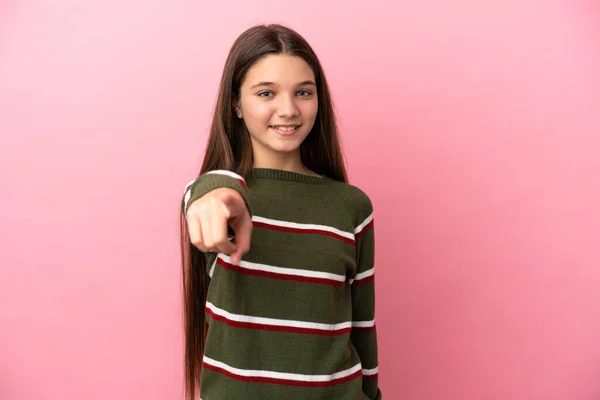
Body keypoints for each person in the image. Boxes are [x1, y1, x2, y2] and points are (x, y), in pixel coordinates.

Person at [180, 23, 382, 400]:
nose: (288, 110)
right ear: (236, 104)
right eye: (266, 93)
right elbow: (207, 195)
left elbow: (363, 329)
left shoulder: (352, 206)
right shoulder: (218, 198)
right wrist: (216, 195)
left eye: (303, 92)